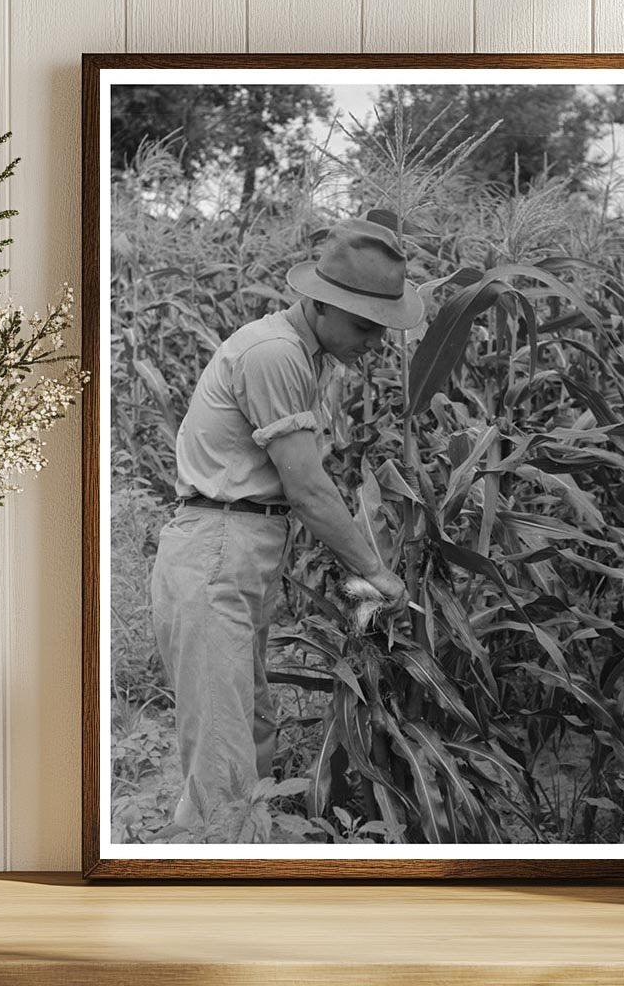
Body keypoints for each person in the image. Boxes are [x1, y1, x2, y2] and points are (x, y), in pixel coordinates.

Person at [150, 216, 423, 837]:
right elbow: (307, 490)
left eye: (381, 326)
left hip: (240, 550)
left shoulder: (303, 352)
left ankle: (240, 859)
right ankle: (213, 888)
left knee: (250, 732)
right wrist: (377, 571)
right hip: (219, 549)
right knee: (223, 760)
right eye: (362, 324)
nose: (374, 340)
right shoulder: (275, 355)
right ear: (320, 305)